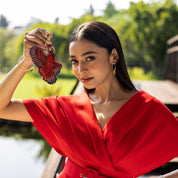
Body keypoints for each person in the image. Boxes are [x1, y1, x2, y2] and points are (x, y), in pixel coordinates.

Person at [0, 21, 178, 178]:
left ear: (113, 56)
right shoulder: (65, 107)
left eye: (90, 58)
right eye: (75, 61)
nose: (81, 69)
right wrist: (25, 62)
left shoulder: (147, 109)